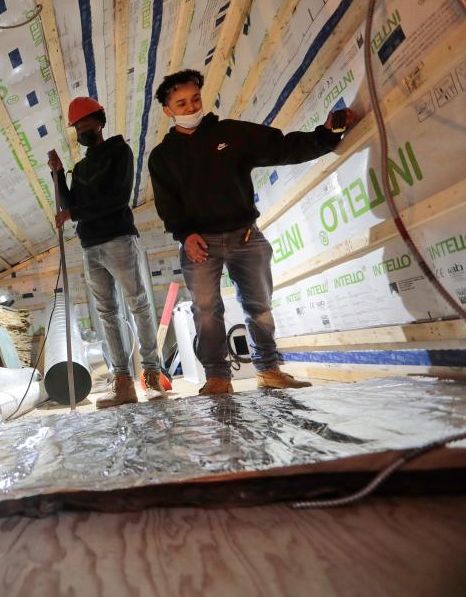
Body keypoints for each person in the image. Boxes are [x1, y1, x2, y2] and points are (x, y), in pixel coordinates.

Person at [147, 69, 356, 395]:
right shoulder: (162, 157)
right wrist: (185, 235)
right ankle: (218, 378)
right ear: (168, 110)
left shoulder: (229, 134)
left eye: (195, 99)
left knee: (259, 305)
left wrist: (326, 136)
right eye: (181, 103)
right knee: (206, 311)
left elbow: (281, 147)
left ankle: (270, 370)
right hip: (201, 243)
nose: (191, 108)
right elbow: (168, 206)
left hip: (246, 236)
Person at [48, 97, 164, 409]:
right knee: (107, 314)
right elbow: (70, 204)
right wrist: (58, 174)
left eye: (87, 123)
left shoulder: (119, 151)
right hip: (91, 246)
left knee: (138, 305)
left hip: (118, 239)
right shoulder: (81, 167)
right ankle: (122, 381)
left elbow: (118, 198)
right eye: (78, 126)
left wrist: (74, 215)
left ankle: (151, 375)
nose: (83, 129)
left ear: (100, 121)